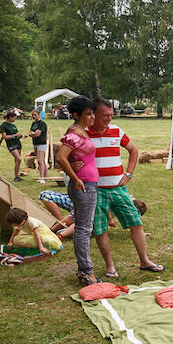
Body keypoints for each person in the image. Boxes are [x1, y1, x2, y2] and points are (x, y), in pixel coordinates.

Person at [87, 97, 163, 276]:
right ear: (94, 114)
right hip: (96, 190)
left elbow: (134, 150)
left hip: (118, 188)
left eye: (111, 115)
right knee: (101, 229)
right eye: (105, 115)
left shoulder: (116, 131)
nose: (109, 119)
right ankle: (110, 266)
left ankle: (144, 261)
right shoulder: (84, 133)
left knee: (136, 222)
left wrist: (128, 173)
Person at [55, 96, 100, 286]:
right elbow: (60, 157)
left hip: (88, 183)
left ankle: (85, 270)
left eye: (92, 113)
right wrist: (75, 178)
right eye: (88, 114)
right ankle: (86, 272)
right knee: (83, 229)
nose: (92, 117)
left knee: (84, 227)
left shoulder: (81, 132)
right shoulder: (75, 134)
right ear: (76, 115)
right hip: (83, 185)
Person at [0, 110, 24, 181]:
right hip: (11, 145)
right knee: (19, 159)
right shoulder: (3, 125)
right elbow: (4, 137)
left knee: (17, 160)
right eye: (14, 118)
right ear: (10, 117)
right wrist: (14, 135)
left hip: (18, 143)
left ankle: (17, 175)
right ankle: (16, 176)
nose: (15, 119)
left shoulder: (13, 125)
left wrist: (21, 136)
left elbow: (16, 134)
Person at [29, 109, 49, 180]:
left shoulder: (42, 124)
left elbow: (37, 134)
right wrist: (33, 134)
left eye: (35, 115)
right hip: (35, 143)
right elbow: (30, 133)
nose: (34, 116)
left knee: (40, 161)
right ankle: (45, 176)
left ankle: (41, 178)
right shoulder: (33, 124)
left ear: (39, 115)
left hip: (42, 143)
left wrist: (33, 134)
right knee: (42, 160)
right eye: (32, 115)